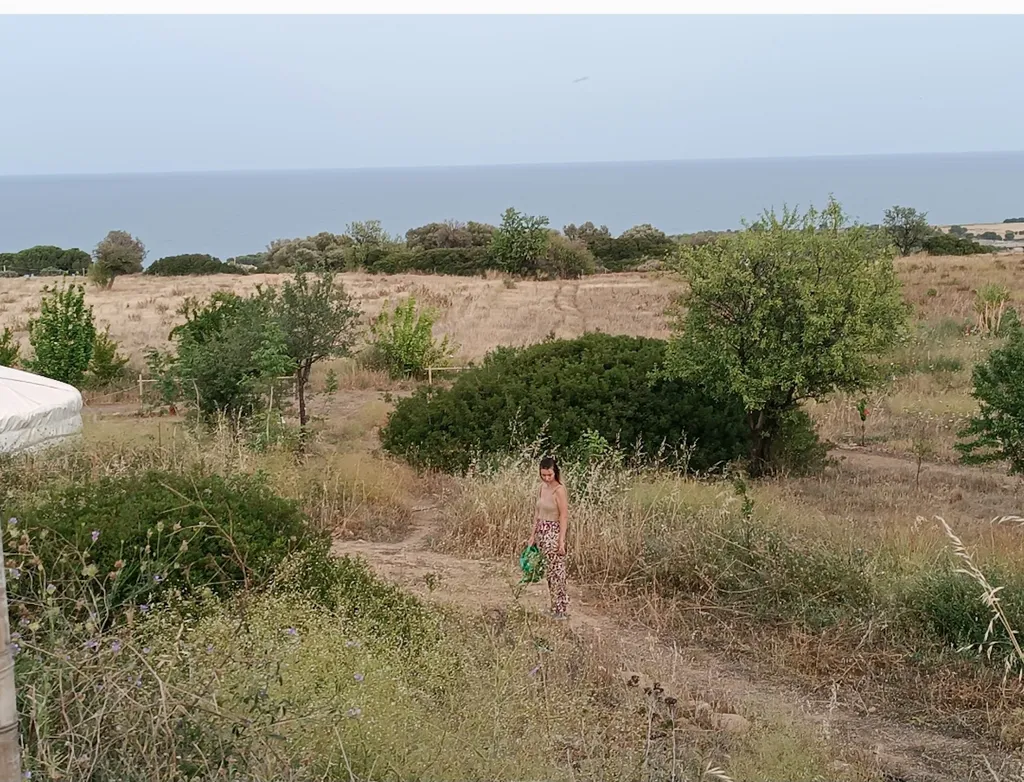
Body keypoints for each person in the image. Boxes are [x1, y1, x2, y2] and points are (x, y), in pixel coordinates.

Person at [526, 456, 569, 619]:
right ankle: (554, 606)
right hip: (542, 531)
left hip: (554, 531)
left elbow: (564, 515)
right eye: (543, 475)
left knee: (557, 570)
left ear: (555, 472)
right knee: (549, 572)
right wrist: (532, 535)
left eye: (549, 475)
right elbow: (537, 513)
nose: (546, 478)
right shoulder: (542, 488)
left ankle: (561, 608)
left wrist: (561, 540)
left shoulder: (559, 490)